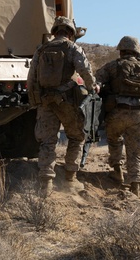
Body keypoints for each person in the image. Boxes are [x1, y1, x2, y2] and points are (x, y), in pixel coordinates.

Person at [26, 16, 98, 194]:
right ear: (71, 32)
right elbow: (85, 71)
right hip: (67, 101)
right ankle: (70, 179)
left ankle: (46, 183)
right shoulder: (73, 48)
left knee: (47, 142)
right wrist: (93, 87)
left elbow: (31, 78)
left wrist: (35, 99)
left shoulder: (41, 50)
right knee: (76, 137)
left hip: (45, 102)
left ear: (55, 31)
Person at [95, 36, 140, 196]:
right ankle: (135, 185)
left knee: (114, 140)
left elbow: (96, 81)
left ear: (121, 50)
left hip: (117, 112)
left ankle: (117, 170)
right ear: (137, 51)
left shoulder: (112, 66)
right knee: (135, 151)